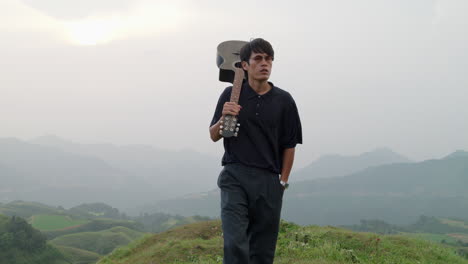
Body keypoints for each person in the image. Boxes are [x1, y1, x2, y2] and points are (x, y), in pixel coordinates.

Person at [209, 38, 302, 264]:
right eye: (258, 59)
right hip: (235, 175)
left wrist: (282, 182)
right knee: (234, 242)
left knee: (262, 250)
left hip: (269, 180)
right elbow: (213, 135)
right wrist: (224, 117)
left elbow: (290, 144)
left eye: (269, 59)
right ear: (244, 65)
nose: (264, 64)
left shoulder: (284, 100)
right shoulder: (231, 95)